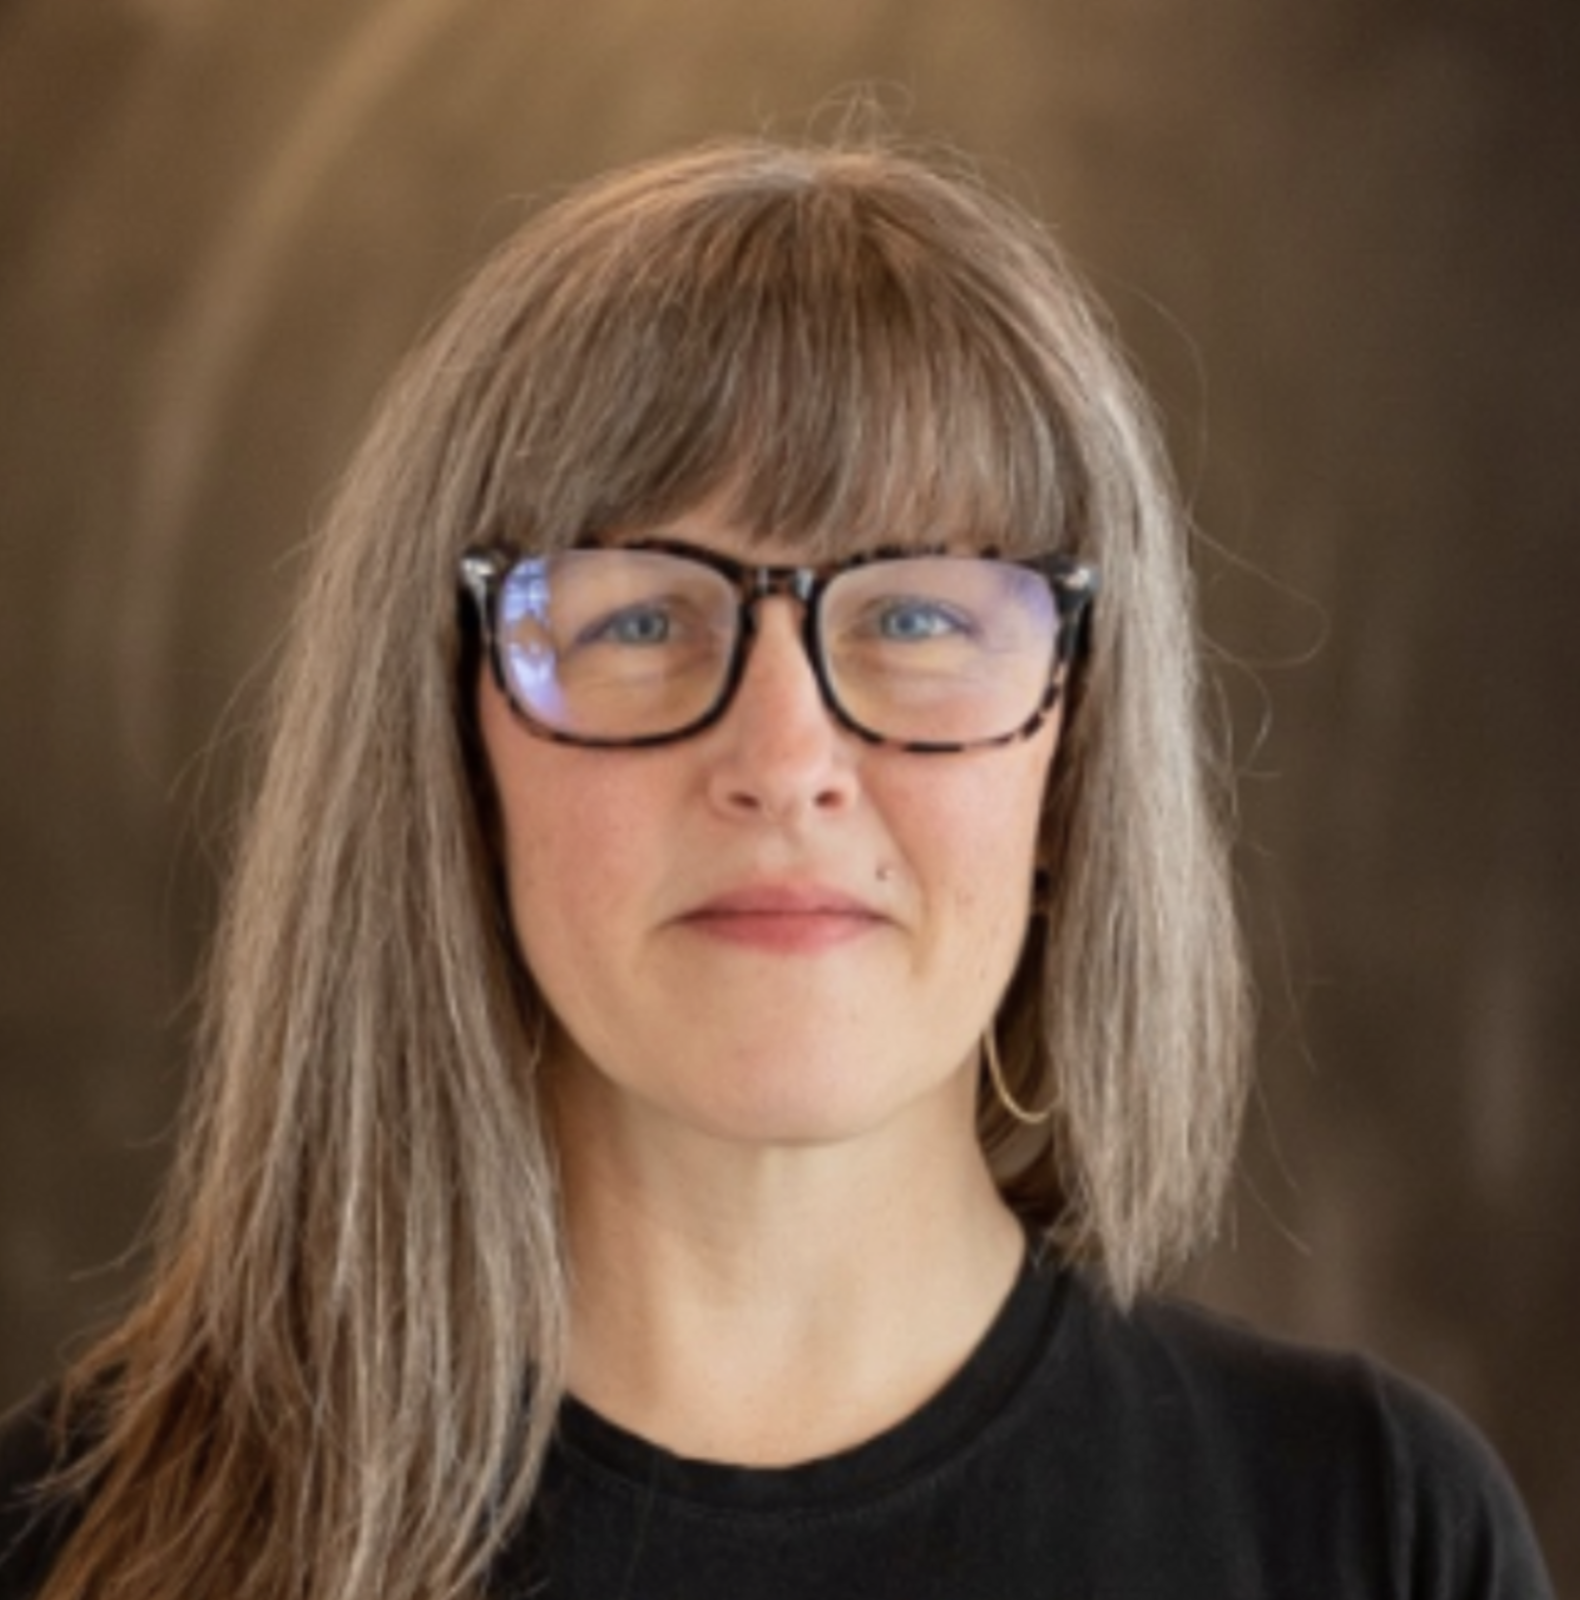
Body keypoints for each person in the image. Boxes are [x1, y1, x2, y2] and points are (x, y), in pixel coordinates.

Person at [0, 136, 1552, 1600]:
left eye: (922, 618)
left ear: (1071, 762)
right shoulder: (68, 1541)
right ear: (455, 756)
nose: (785, 758)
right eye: (638, 618)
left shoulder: (1371, 1533)